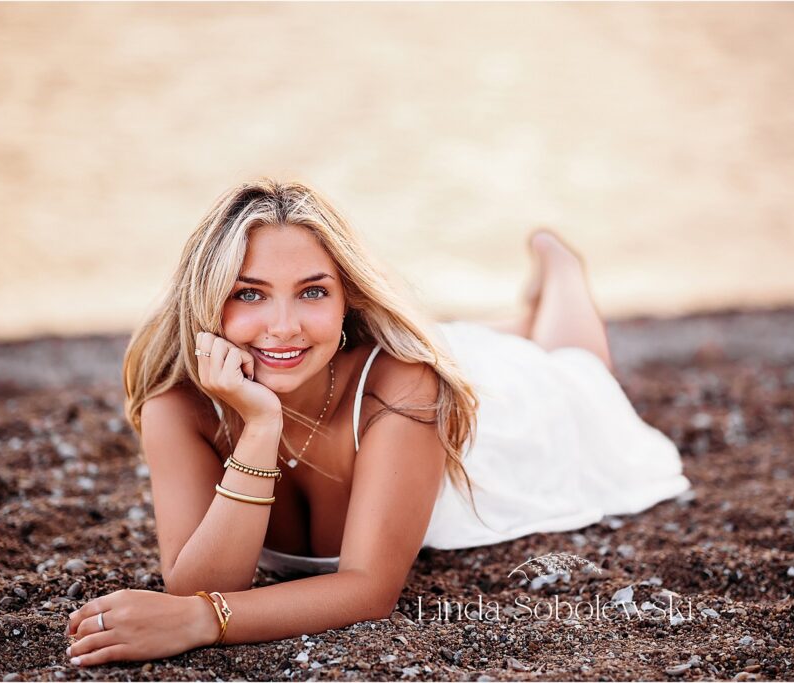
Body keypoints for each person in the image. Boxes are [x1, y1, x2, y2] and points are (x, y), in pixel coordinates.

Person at [63, 178, 690, 667]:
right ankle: (504, 318)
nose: (283, 324)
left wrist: (206, 622)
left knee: (577, 373)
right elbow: (198, 582)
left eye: (312, 292)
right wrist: (259, 428)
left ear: (345, 302)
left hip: (497, 425)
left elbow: (368, 590)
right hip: (357, 369)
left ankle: (561, 273)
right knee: (452, 339)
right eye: (249, 293)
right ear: (206, 299)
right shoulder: (176, 405)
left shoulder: (406, 385)